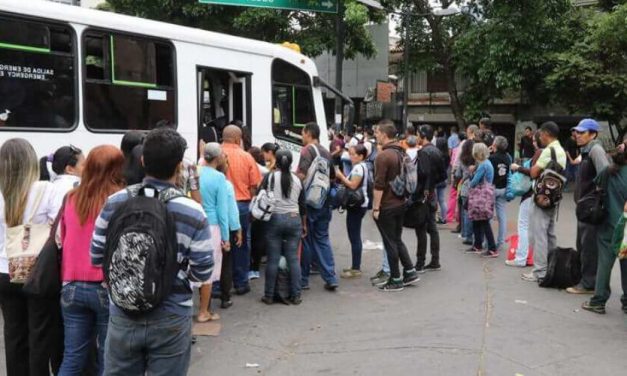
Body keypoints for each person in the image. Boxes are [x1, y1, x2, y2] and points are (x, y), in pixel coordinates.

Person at [90, 127, 214, 375]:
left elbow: (96, 256)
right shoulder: (192, 211)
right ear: (179, 166)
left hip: (123, 310)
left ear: (143, 160)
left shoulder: (115, 202)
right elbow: (203, 272)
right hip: (172, 314)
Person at [58, 145, 125, 375]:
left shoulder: (71, 198)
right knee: (108, 357)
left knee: (72, 356)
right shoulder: (117, 200)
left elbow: (62, 238)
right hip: (104, 284)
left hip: (71, 284)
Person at [0, 138, 63, 376]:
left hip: (5, 272)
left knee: (14, 336)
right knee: (41, 335)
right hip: (38, 274)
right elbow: (59, 229)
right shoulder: (47, 189)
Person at [371, 119, 418, 291]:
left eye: (377, 132)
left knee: (390, 242)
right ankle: (410, 271)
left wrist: (376, 208)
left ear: (384, 134)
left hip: (388, 205)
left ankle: (396, 278)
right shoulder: (401, 152)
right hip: (400, 202)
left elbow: (379, 185)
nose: (375, 135)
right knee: (397, 239)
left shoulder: (383, 156)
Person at [582, 143, 627, 314]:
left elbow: (598, 185)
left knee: (605, 262)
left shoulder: (610, 170)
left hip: (609, 223)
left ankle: (599, 300)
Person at [567, 119, 610, 294]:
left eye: (582, 132)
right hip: (584, 208)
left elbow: (606, 173)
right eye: (576, 131)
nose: (577, 135)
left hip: (591, 208)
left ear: (593, 134)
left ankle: (589, 284)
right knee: (584, 245)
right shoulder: (586, 151)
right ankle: (587, 280)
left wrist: (597, 196)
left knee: (589, 248)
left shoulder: (595, 150)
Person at [522, 121, 567, 282]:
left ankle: (540, 271)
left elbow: (534, 173)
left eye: (540, 134)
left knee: (538, 234)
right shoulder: (561, 150)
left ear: (546, 134)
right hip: (554, 197)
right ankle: (551, 267)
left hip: (542, 196)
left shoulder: (549, 151)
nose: (539, 137)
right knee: (549, 234)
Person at [297, 122, 339, 291]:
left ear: (308, 133)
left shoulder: (307, 150)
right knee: (322, 238)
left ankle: (304, 279)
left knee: (306, 238)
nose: (301, 136)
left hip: (309, 203)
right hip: (324, 201)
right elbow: (333, 177)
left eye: (302, 133)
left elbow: (301, 175)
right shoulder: (326, 152)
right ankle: (330, 277)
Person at [221, 125, 262, 295]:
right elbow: (255, 185)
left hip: (220, 206)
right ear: (238, 139)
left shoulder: (213, 155)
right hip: (241, 205)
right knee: (242, 244)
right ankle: (241, 283)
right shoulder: (247, 157)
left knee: (220, 244)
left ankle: (219, 285)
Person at [261, 150, 306, 305]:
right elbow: (302, 205)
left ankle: (268, 295)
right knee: (293, 259)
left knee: (273, 259)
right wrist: (304, 224)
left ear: (277, 162)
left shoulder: (270, 177)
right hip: (294, 219)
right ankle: (296, 295)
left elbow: (261, 195)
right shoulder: (298, 179)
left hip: (274, 219)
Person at [197, 143, 230, 322]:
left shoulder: (196, 171)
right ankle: (203, 311)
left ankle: (203, 308)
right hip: (213, 225)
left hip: (194, 221)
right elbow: (222, 211)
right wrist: (226, 237)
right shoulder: (219, 178)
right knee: (209, 269)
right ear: (217, 158)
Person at [507, 131, 544, 267]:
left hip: (530, 194)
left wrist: (518, 168)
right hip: (541, 194)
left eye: (534, 140)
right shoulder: (551, 152)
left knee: (523, 226)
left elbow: (532, 173)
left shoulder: (540, 153)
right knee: (534, 228)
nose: (533, 143)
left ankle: (521, 258)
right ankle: (530, 258)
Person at [413, 124, 446, 272]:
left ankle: (420, 263)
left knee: (421, 228)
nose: (416, 137)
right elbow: (443, 175)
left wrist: (423, 189)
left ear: (423, 135)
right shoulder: (437, 151)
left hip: (423, 196)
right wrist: (431, 186)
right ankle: (435, 260)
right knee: (432, 228)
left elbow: (423, 175)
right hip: (431, 194)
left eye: (418, 134)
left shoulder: (424, 153)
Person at [335, 144, 370, 279]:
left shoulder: (358, 168)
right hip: (359, 205)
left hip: (357, 205)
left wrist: (340, 176)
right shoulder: (361, 167)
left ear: (361, 156)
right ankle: (355, 266)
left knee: (354, 236)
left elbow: (353, 185)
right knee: (354, 235)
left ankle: (356, 268)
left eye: (353, 154)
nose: (351, 156)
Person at [216, 152, 242, 309]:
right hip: (223, 227)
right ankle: (225, 297)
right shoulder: (226, 185)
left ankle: (207, 292)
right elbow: (232, 211)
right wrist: (237, 229)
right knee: (226, 263)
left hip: (207, 225)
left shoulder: (202, 181)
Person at [250, 143, 279, 280]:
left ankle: (254, 267)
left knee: (257, 237)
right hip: (274, 208)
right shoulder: (272, 170)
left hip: (262, 208)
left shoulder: (265, 171)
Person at [465, 142, 497, 257]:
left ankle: (492, 248)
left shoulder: (483, 165)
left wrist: (471, 174)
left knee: (483, 221)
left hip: (481, 196)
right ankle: (477, 245)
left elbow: (474, 182)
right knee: (478, 221)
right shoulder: (487, 163)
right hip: (486, 195)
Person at [489, 136, 512, 250]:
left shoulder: (492, 158)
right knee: (502, 215)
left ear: (496, 145)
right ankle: (501, 241)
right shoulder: (508, 158)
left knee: (488, 214)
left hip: (492, 187)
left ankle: (486, 240)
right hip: (503, 188)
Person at [456, 137, 476, 245]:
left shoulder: (461, 158)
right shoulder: (476, 159)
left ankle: (465, 234)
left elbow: (458, 174)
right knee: (473, 212)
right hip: (475, 185)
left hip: (464, 185)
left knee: (465, 211)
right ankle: (472, 234)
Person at [435, 135, 450, 224]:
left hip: (436, 179)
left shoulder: (436, 154)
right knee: (442, 200)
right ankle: (444, 218)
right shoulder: (447, 155)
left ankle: (435, 218)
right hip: (443, 179)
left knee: (435, 200)